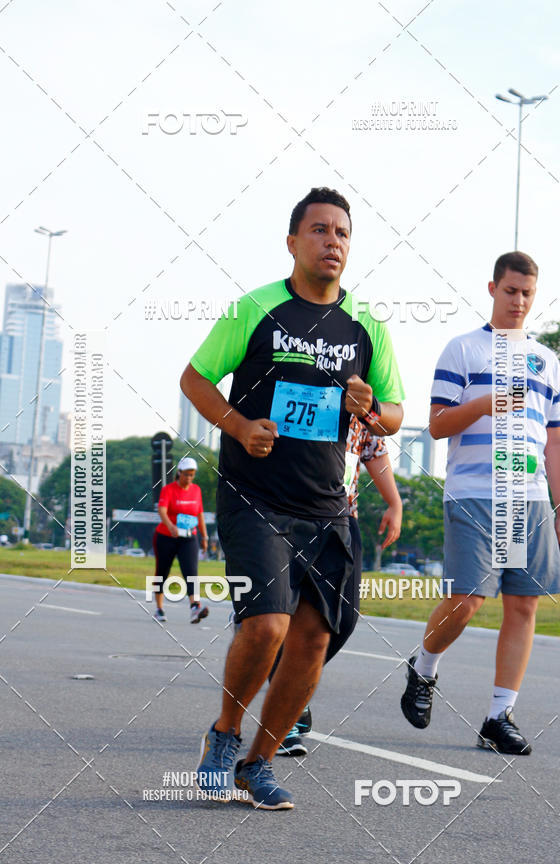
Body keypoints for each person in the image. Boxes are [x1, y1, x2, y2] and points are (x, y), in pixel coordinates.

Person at [181, 186, 404, 809]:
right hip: (255, 498)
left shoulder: (367, 327)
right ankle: (225, 735)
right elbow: (194, 378)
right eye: (319, 230)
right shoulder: (254, 309)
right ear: (292, 241)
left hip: (328, 507)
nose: (332, 242)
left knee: (313, 638)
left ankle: (260, 762)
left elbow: (394, 413)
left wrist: (373, 409)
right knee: (268, 623)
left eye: (342, 233)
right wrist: (239, 426)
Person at [400, 251, 560, 754]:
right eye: (511, 290)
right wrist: (487, 402)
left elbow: (557, 442)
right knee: (469, 599)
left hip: (532, 499)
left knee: (522, 605)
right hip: (475, 493)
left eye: (527, 293)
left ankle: (499, 716)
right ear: (493, 288)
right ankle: (424, 667)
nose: (518, 301)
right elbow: (436, 426)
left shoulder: (547, 361)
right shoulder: (462, 350)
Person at [275, 414, 403, 756]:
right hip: (288, 513)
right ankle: (286, 711)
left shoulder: (364, 395)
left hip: (343, 518)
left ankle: (281, 668)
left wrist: (394, 501)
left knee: (343, 618)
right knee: (287, 611)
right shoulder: (301, 377)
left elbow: (373, 448)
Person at [152, 456, 209, 624]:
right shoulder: (168, 490)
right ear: (179, 473)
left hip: (189, 537)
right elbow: (162, 510)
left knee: (191, 572)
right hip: (166, 537)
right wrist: (171, 527)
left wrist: (204, 536)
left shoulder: (196, 490)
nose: (189, 478)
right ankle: (159, 609)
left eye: (192, 475)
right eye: (186, 475)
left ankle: (194, 608)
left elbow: (199, 514)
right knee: (162, 572)